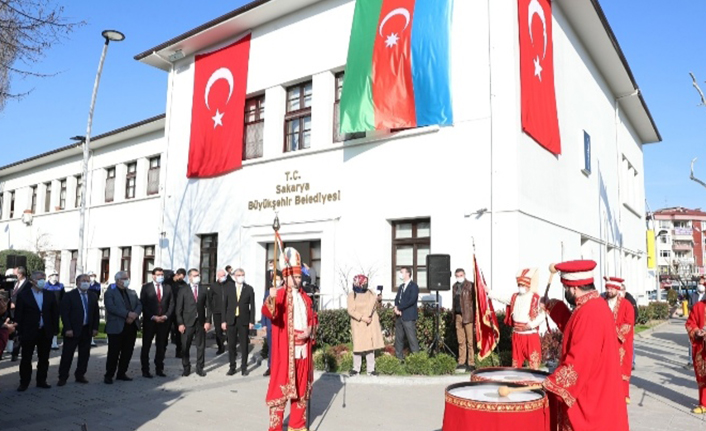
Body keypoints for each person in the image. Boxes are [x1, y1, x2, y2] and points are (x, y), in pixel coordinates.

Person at [541, 260, 629, 430]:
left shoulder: (590, 312)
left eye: (566, 288)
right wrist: (552, 307)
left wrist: (551, 384)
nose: (566, 292)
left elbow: (580, 360)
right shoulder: (593, 305)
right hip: (599, 388)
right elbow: (575, 329)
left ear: (574, 288)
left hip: (593, 396)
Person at [262, 247, 317, 431]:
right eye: (296, 277)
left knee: (301, 390)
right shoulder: (279, 294)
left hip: (303, 351)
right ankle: (275, 428)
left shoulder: (306, 298)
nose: (299, 280)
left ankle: (297, 425)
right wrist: (271, 298)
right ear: (286, 276)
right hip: (285, 351)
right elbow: (269, 312)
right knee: (281, 389)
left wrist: (310, 329)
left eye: (300, 277)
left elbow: (313, 318)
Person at [488, 268, 545, 370]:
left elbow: (543, 315)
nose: (520, 287)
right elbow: (501, 297)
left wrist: (531, 325)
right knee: (516, 363)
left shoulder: (536, 298)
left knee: (534, 363)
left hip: (530, 334)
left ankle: (534, 379)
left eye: (522, 285)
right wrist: (489, 292)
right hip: (517, 334)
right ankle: (516, 379)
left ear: (528, 285)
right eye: (519, 285)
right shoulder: (515, 297)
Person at [15, 270, 60, 391]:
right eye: (40, 279)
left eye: (43, 278)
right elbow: (19, 315)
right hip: (29, 331)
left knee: (44, 358)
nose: (42, 281)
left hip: (45, 331)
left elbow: (55, 313)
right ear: (33, 281)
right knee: (26, 358)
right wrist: (19, 331)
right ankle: (24, 382)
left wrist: (54, 329)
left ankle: (41, 380)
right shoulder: (24, 295)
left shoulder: (49, 295)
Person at [57, 274, 99, 386]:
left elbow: (96, 313)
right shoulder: (69, 295)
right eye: (83, 280)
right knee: (67, 355)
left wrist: (95, 327)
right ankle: (63, 377)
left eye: (88, 281)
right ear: (77, 282)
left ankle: (80, 374)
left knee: (84, 354)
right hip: (72, 330)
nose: (86, 282)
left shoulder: (93, 295)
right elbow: (65, 314)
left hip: (87, 329)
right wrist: (68, 328)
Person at [103, 271, 142, 384]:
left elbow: (139, 305)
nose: (127, 280)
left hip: (131, 326)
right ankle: (109, 375)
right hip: (116, 326)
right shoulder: (110, 292)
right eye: (124, 278)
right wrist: (127, 314)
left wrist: (134, 315)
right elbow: (111, 307)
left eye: (127, 278)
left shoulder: (132, 292)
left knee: (127, 351)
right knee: (114, 352)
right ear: (118, 280)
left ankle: (122, 373)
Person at [603, 276, 635, 404]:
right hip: (604, 342)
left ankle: (624, 394)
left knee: (622, 368)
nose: (609, 291)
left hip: (621, 343)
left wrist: (615, 332)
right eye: (607, 288)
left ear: (617, 289)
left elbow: (629, 323)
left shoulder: (626, 305)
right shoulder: (602, 303)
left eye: (611, 288)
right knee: (605, 368)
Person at [176, 268, 211, 377]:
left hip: (200, 322)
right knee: (185, 346)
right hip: (187, 323)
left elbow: (209, 307)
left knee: (201, 346)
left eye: (198, 275)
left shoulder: (204, 289)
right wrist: (180, 323)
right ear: (190, 277)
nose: (197, 277)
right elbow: (178, 308)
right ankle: (186, 367)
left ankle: (200, 368)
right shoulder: (183, 290)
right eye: (195, 276)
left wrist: (208, 321)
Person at [140, 267, 174, 378]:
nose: (160, 277)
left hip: (163, 321)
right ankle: (145, 369)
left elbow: (171, 303)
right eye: (158, 274)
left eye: (162, 275)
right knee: (146, 345)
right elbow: (143, 304)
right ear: (153, 276)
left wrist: (166, 315)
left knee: (161, 346)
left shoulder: (167, 287)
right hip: (150, 321)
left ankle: (159, 368)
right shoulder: (146, 288)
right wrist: (152, 316)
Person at [347, 274, 383, 376]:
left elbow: (375, 306)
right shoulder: (352, 295)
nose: (366, 285)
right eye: (364, 283)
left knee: (369, 347)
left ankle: (371, 369)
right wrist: (363, 318)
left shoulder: (371, 293)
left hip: (369, 323)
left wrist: (379, 299)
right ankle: (356, 369)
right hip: (358, 323)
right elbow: (351, 310)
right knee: (358, 346)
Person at [222, 268, 255, 376]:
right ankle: (232, 366)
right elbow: (224, 305)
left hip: (243, 320)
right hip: (231, 319)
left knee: (244, 344)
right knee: (231, 344)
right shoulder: (228, 288)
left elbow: (252, 306)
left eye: (242, 275)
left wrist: (251, 321)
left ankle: (244, 367)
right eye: (239, 275)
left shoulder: (249, 289)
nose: (241, 277)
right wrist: (223, 321)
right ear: (234, 276)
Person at [452, 268, 476, 371]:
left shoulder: (470, 285)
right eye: (457, 276)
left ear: (464, 275)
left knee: (470, 341)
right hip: (458, 315)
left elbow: (475, 301)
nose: (459, 277)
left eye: (461, 275)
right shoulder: (454, 286)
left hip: (468, 315)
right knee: (460, 340)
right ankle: (461, 361)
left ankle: (471, 362)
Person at [394, 266, 420, 360]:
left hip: (408, 316)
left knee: (411, 339)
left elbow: (411, 301)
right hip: (399, 316)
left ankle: (416, 359)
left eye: (402, 272)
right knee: (398, 339)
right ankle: (399, 358)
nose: (400, 274)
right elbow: (397, 298)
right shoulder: (401, 286)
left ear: (408, 273)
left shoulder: (414, 286)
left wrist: (400, 308)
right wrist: (396, 307)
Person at [686, 291, 706, 413]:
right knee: (702, 375)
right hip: (702, 348)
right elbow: (690, 323)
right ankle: (703, 403)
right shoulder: (698, 306)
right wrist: (697, 331)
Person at [262, 271, 282, 377]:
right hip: (270, 324)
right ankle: (270, 366)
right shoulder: (268, 293)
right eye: (275, 279)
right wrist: (264, 324)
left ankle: (280, 367)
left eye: (278, 279)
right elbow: (264, 308)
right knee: (271, 347)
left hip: (281, 325)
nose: (276, 281)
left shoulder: (284, 292)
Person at [10, 266, 30, 361]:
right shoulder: (16, 283)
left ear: (21, 274)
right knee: (14, 333)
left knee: (19, 334)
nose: (16, 275)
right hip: (12, 312)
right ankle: (14, 352)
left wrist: (16, 304)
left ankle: (16, 353)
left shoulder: (28, 285)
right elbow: (13, 295)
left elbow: (27, 298)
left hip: (22, 313)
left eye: (17, 274)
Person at [166, 268, 187, 358]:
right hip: (168, 310)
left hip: (178, 310)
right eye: (180, 277)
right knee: (165, 331)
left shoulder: (183, 284)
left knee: (179, 332)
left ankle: (179, 351)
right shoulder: (167, 282)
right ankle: (162, 351)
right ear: (176, 274)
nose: (181, 279)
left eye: (183, 278)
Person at [45, 270, 65, 350]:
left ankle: (54, 342)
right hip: (47, 309)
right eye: (53, 275)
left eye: (56, 275)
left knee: (55, 324)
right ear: (49, 276)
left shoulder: (60, 286)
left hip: (57, 309)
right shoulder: (45, 286)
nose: (55, 276)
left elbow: (63, 297)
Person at [621, 283, 638, 371]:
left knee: (629, 343)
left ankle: (632, 362)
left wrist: (632, 324)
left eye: (621, 290)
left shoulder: (629, 299)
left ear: (624, 290)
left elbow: (635, 312)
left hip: (629, 325)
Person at [210, 270, 227, 355]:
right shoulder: (213, 286)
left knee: (229, 330)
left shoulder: (229, 285)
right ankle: (220, 347)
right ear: (218, 276)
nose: (223, 277)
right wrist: (212, 308)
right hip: (217, 311)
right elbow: (210, 298)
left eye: (224, 275)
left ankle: (232, 347)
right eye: (221, 275)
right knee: (218, 330)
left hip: (227, 311)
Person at [87, 271, 102, 347]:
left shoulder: (97, 285)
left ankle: (92, 339)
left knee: (93, 321)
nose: (92, 277)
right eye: (90, 276)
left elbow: (98, 294)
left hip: (94, 304)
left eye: (93, 276)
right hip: (87, 303)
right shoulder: (86, 284)